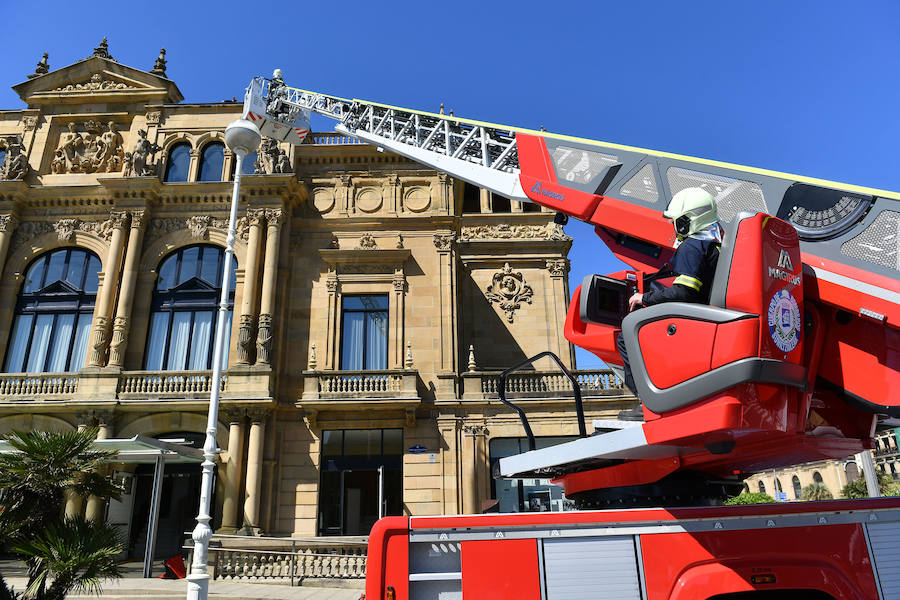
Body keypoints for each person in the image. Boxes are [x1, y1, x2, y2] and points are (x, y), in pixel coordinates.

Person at [617, 186, 724, 420]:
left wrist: (644, 298)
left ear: (686, 222)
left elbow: (685, 292)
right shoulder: (715, 246)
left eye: (675, 221)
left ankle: (649, 403)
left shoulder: (692, 247)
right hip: (708, 316)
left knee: (628, 333)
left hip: (693, 319)